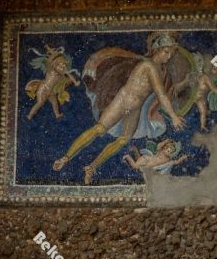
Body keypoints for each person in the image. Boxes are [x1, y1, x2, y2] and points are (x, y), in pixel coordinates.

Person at [53, 32, 186, 185]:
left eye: (171, 53)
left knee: (123, 140)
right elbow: (161, 94)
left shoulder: (161, 71)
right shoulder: (148, 66)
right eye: (166, 51)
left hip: (135, 109)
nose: (168, 56)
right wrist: (174, 116)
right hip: (122, 101)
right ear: (157, 49)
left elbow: (163, 95)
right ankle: (65, 158)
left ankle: (92, 167)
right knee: (99, 129)